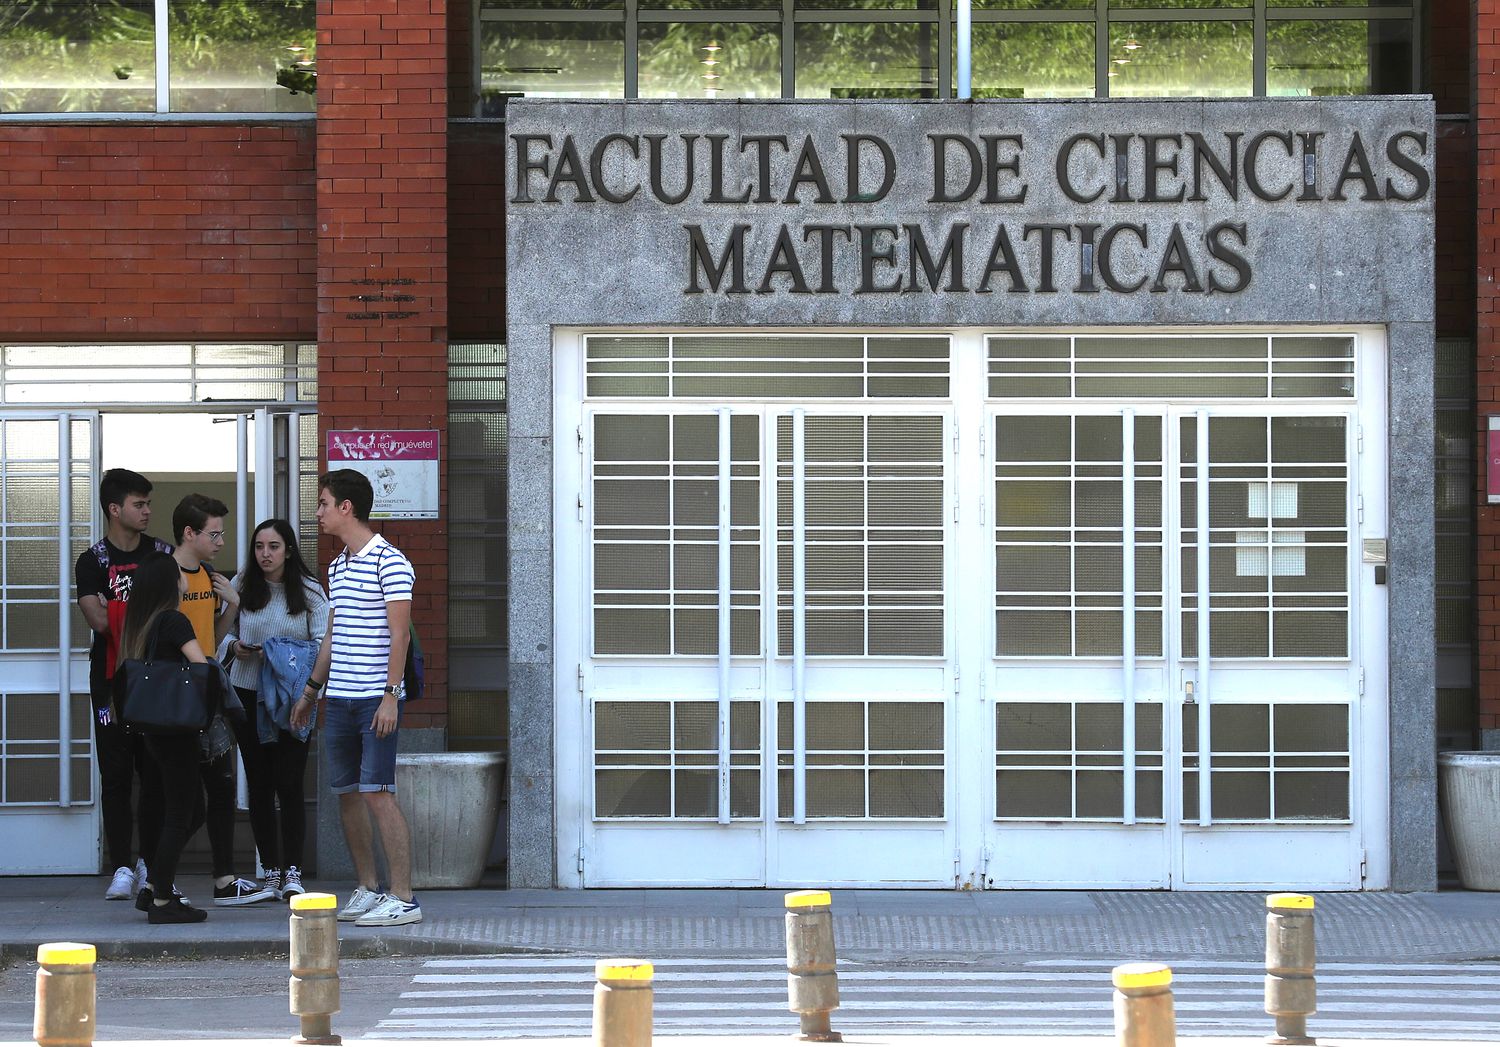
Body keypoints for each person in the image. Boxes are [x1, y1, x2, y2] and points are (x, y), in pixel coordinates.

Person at [291, 469, 421, 926]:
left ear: (346, 507)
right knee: (347, 794)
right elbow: (331, 634)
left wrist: (390, 695)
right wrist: (311, 691)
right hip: (339, 698)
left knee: (378, 792)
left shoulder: (391, 561)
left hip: (374, 698)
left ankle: (403, 897)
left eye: (324, 503)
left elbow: (399, 635)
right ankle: (368, 887)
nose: (319, 511)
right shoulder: (337, 565)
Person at [170, 493, 272, 906]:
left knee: (222, 787)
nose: (221, 541)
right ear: (189, 533)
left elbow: (211, 633)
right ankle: (155, 877)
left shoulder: (208, 576)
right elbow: (163, 635)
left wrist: (231, 604)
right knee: (183, 797)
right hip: (177, 695)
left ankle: (224, 880)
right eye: (214, 534)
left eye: (222, 533)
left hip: (207, 689)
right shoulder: (167, 575)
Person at [75, 468, 171, 901]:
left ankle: (150, 861)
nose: (148, 511)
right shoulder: (93, 560)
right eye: (139, 504)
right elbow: (97, 621)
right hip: (111, 680)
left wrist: (121, 610)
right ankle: (121, 866)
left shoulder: (162, 555)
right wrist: (144, 614)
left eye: (148, 503)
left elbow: (177, 612)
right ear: (115, 509)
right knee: (115, 774)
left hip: (156, 677)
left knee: (153, 772)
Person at [224, 519, 329, 901]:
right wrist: (234, 648)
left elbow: (323, 644)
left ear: (288, 550)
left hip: (293, 699)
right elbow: (219, 633)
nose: (265, 554)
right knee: (260, 783)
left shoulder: (310, 591)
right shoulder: (239, 585)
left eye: (273, 546)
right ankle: (269, 873)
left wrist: (308, 693)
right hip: (247, 693)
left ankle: (293, 873)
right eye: (258, 547)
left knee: (289, 781)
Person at [113, 552, 212, 924]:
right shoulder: (173, 619)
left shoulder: (144, 624)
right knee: (181, 811)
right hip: (177, 728)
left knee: (188, 809)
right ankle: (161, 898)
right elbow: (200, 667)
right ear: (171, 583)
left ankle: (155, 885)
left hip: (154, 730)